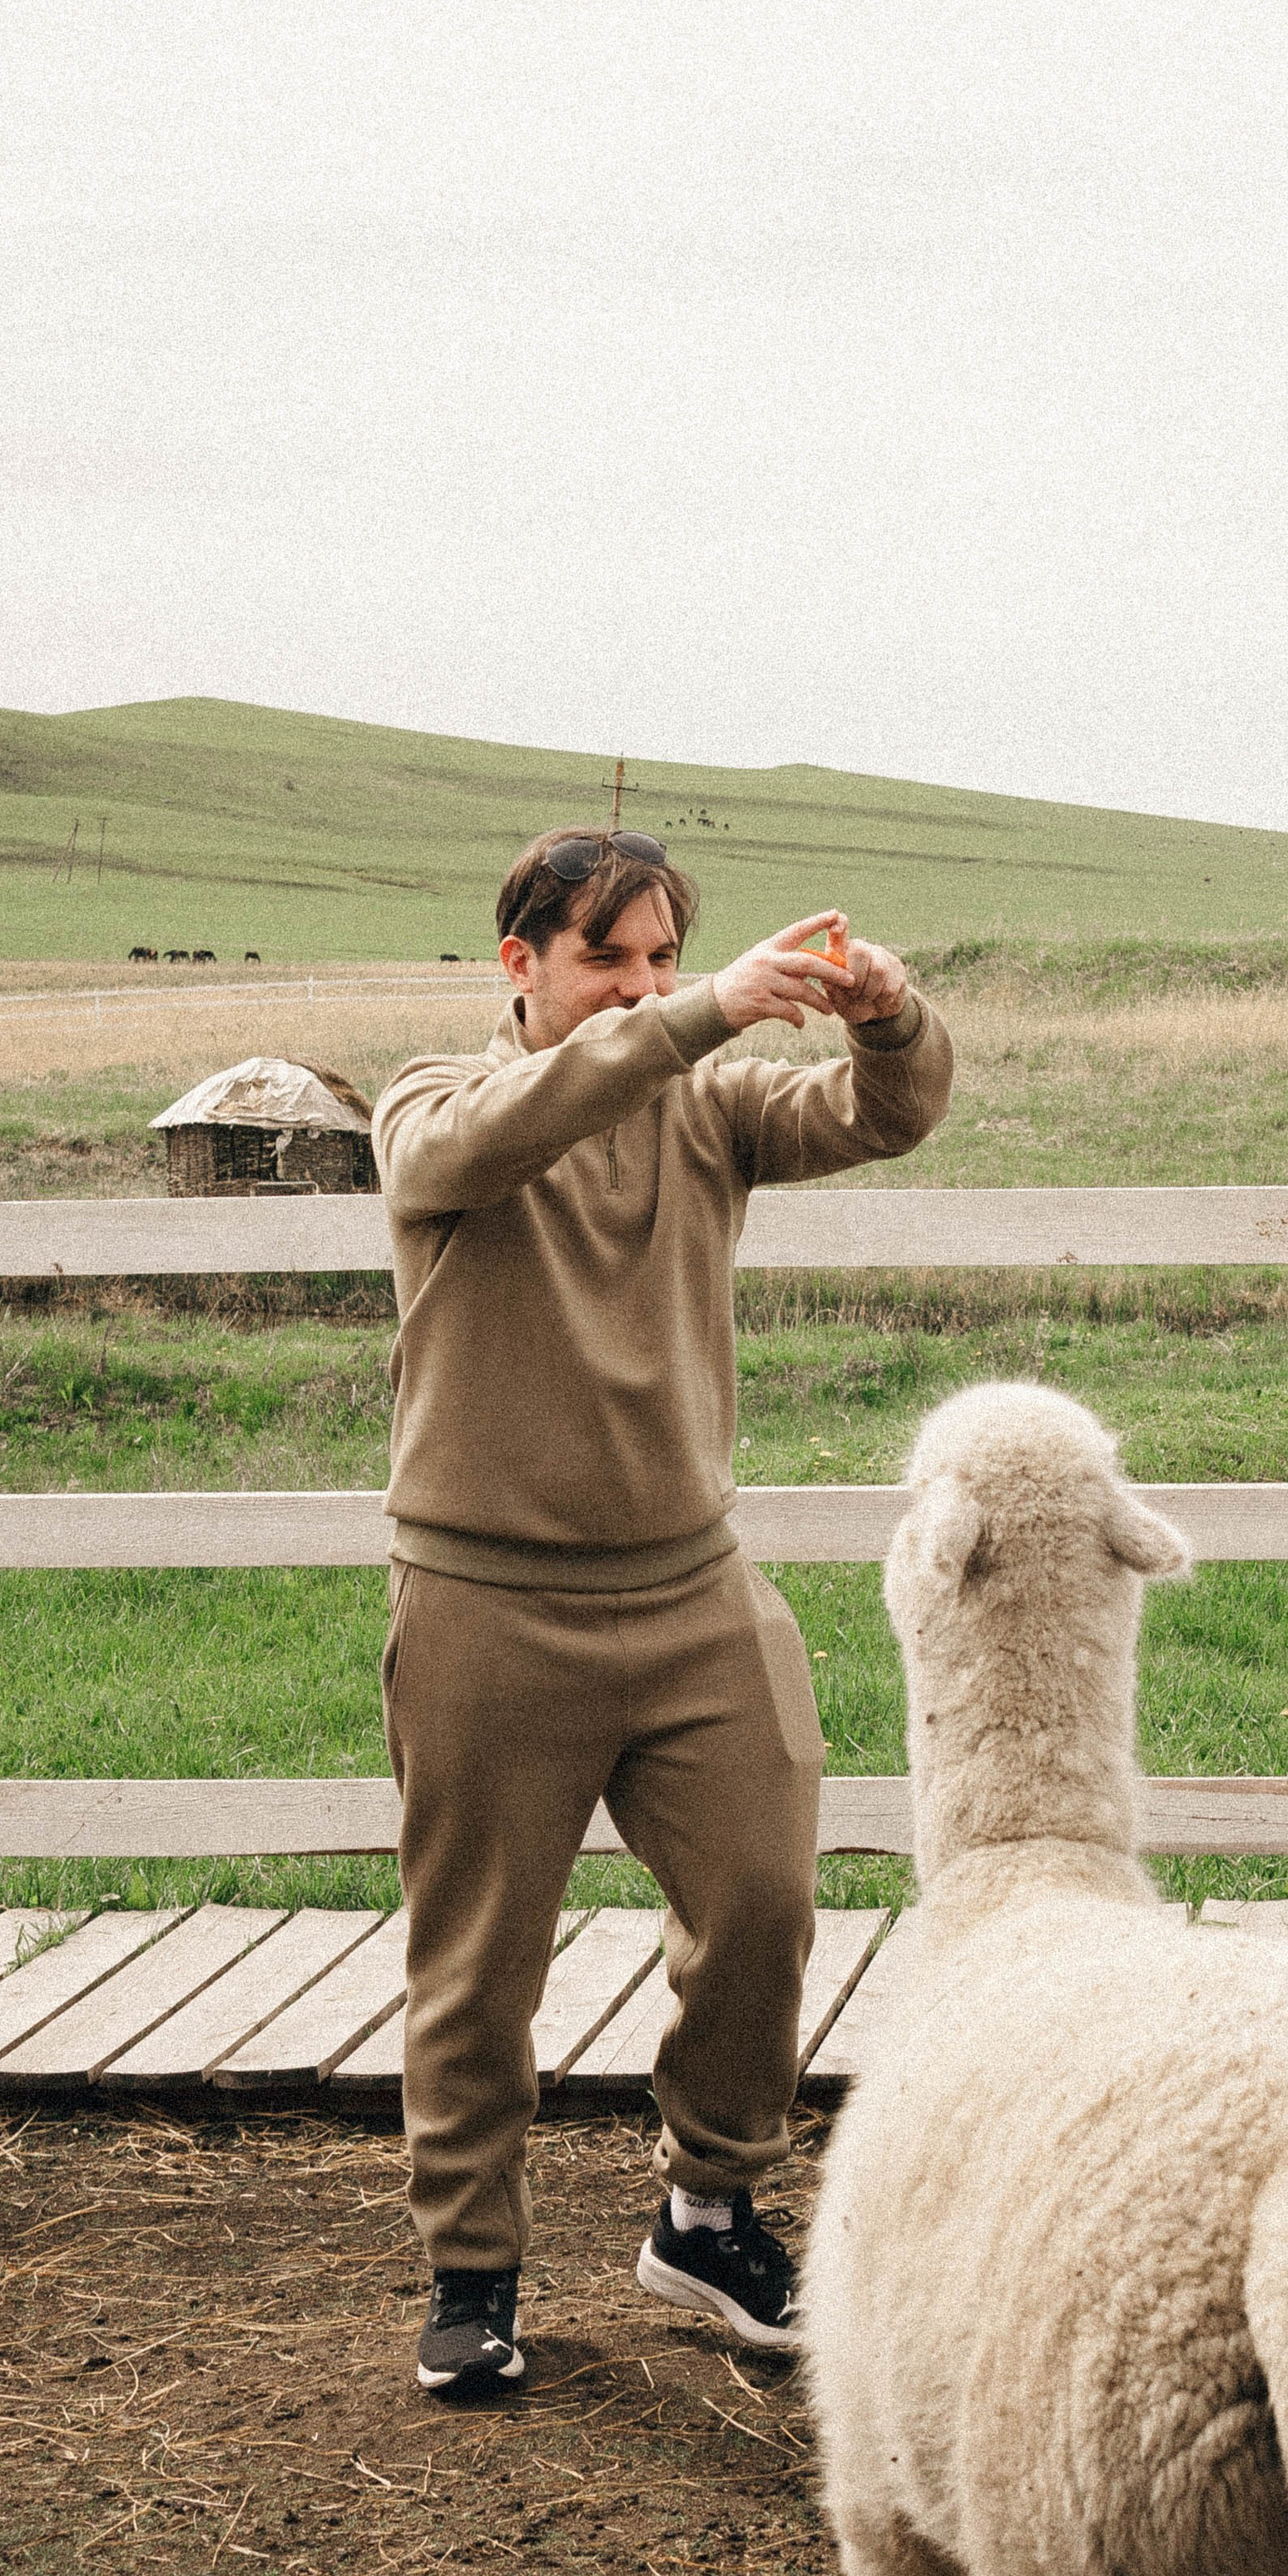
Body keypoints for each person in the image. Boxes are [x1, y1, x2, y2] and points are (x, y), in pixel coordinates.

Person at [371, 826, 953, 2395]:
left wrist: (889, 1015)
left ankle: (706, 2213)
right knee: (480, 1965)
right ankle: (474, 2270)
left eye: (660, 959)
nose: (640, 987)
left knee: (765, 1897)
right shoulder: (433, 1101)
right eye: (605, 958)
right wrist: (693, 1017)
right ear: (521, 964)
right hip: (489, 1603)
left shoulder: (708, 1107)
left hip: (692, 1594)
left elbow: (882, 1115)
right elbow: (482, 1147)